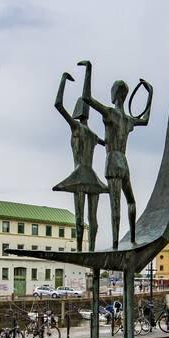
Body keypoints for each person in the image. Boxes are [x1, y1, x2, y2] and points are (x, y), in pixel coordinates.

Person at [81, 60, 153, 249]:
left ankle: (114, 244)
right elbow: (145, 120)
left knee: (115, 206)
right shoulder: (128, 120)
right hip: (124, 161)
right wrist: (150, 94)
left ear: (114, 95)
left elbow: (86, 98)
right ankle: (132, 239)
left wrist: (89, 69)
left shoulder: (110, 113)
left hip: (112, 160)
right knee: (131, 201)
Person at [53, 63, 108, 252]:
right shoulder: (93, 135)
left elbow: (58, 105)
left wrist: (63, 79)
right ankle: (91, 249)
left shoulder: (76, 128)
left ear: (77, 113)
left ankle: (79, 249)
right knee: (93, 219)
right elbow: (109, 143)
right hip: (92, 176)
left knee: (80, 217)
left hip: (80, 175)